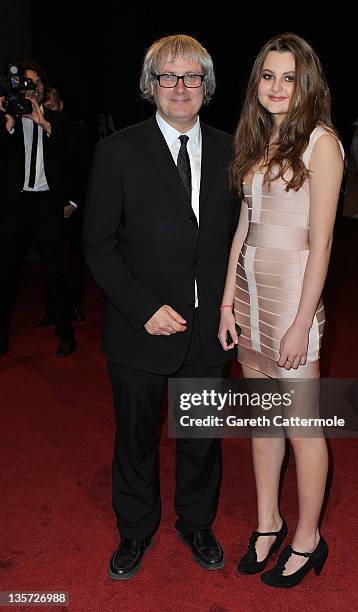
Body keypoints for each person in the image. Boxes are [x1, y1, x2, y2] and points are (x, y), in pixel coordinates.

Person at [84, 34, 240, 580]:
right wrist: (142, 307)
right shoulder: (118, 151)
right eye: (168, 77)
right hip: (138, 329)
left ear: (207, 86)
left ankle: (196, 522)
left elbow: (241, 239)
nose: (180, 87)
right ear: (151, 86)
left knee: (201, 438)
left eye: (191, 77)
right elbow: (98, 246)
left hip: (207, 331)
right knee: (134, 439)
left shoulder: (231, 150)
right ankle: (135, 530)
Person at [219, 32, 344, 588]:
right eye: (268, 76)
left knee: (302, 427)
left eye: (288, 77)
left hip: (294, 296)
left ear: (305, 83)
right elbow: (243, 228)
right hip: (250, 292)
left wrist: (301, 322)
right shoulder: (256, 140)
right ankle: (268, 522)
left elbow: (322, 243)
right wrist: (227, 301)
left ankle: (308, 537)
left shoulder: (322, 143)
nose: (276, 86)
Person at [0, 60, 77, 357]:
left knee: (55, 272)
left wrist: (45, 124)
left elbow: (74, 159)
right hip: (15, 206)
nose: (28, 89)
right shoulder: (9, 119)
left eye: (34, 84)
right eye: (24, 84)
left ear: (43, 90)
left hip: (47, 204)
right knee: (6, 272)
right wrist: (7, 122)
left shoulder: (59, 121)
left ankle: (65, 333)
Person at [36, 85, 89, 324]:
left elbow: (84, 169)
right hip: (49, 206)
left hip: (75, 206)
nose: (47, 112)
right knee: (50, 262)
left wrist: (74, 203)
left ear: (60, 106)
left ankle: (75, 305)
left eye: (50, 107)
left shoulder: (75, 130)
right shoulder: (35, 130)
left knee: (75, 260)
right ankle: (53, 310)